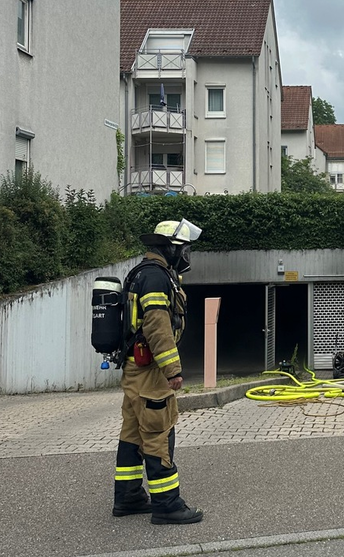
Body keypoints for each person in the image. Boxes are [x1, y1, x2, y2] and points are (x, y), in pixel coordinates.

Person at [113, 219, 204, 525]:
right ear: (171, 249)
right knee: (158, 433)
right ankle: (167, 505)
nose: (186, 255)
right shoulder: (156, 277)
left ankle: (128, 497)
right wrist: (172, 370)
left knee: (132, 433)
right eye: (184, 249)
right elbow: (157, 326)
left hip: (135, 368)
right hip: (150, 370)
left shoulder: (141, 273)